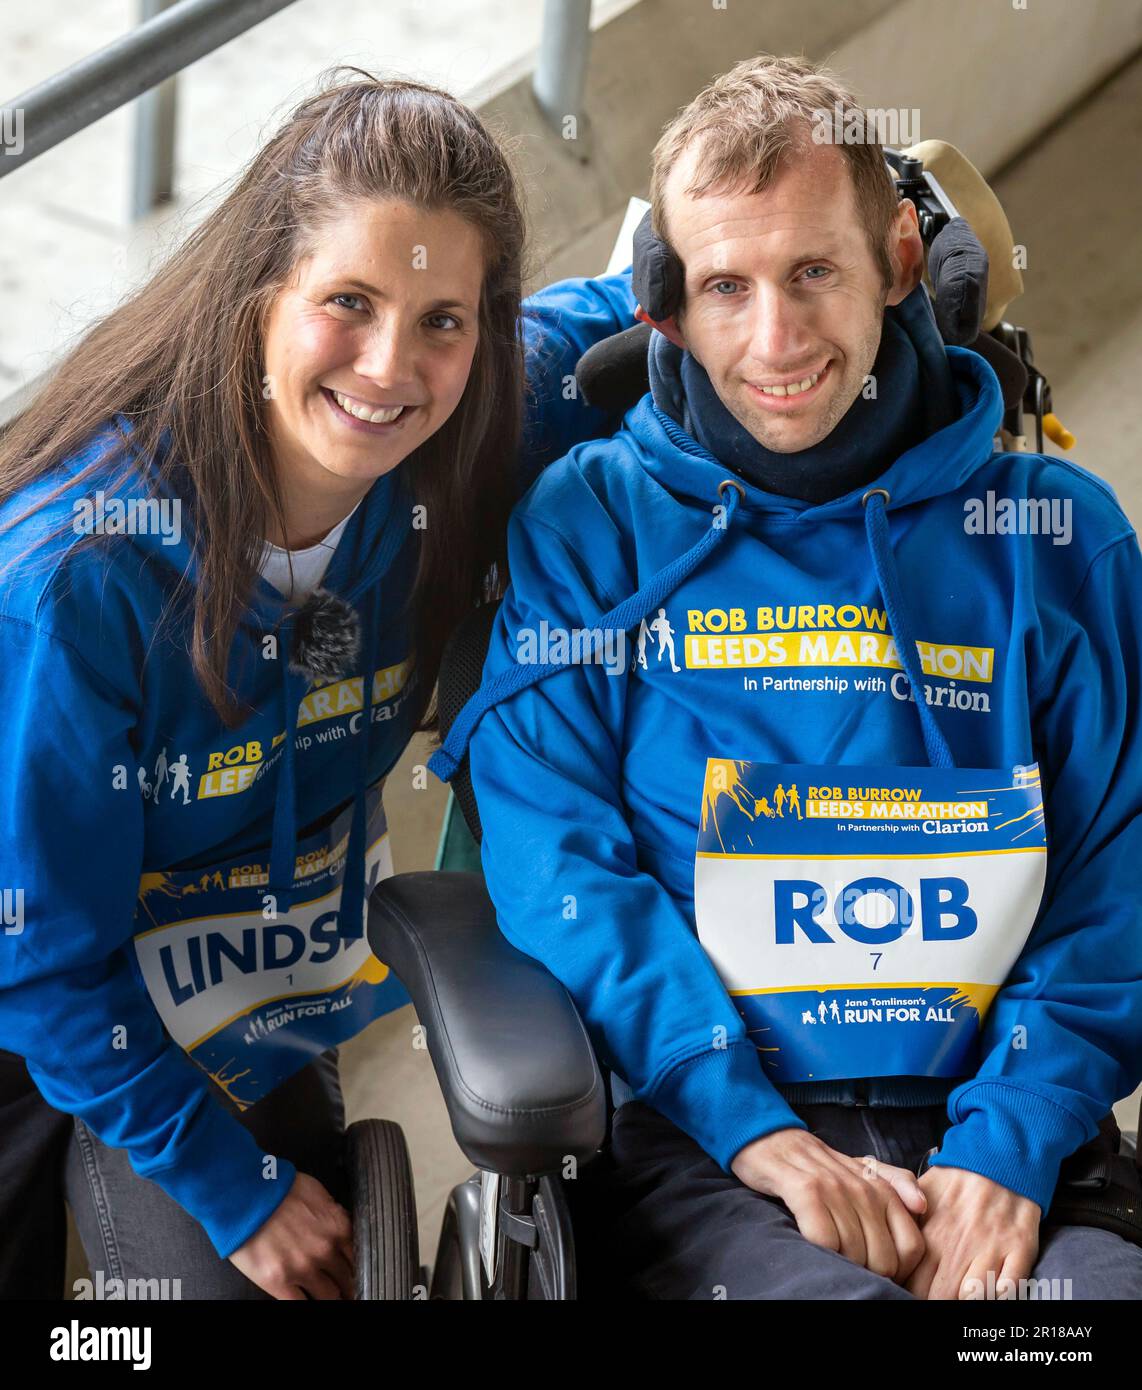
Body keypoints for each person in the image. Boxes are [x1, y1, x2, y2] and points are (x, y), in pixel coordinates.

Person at [437, 54, 1142, 1299]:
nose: (773, 341)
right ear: (661, 303)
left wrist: (1010, 1142)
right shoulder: (586, 529)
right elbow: (557, 862)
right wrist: (753, 1126)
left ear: (899, 265)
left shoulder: (1059, 536)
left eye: (813, 272)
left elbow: (1122, 864)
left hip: (1007, 1125)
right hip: (709, 1136)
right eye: (725, 286)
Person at [0, 72, 636, 1300]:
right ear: (258, 298)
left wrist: (897, 246)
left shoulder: (465, 422)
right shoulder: (75, 578)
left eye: (442, 319)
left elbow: (643, 308)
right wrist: (230, 1191)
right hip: (34, 974)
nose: (390, 364)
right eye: (347, 301)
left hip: (231, 968)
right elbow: (36, 959)